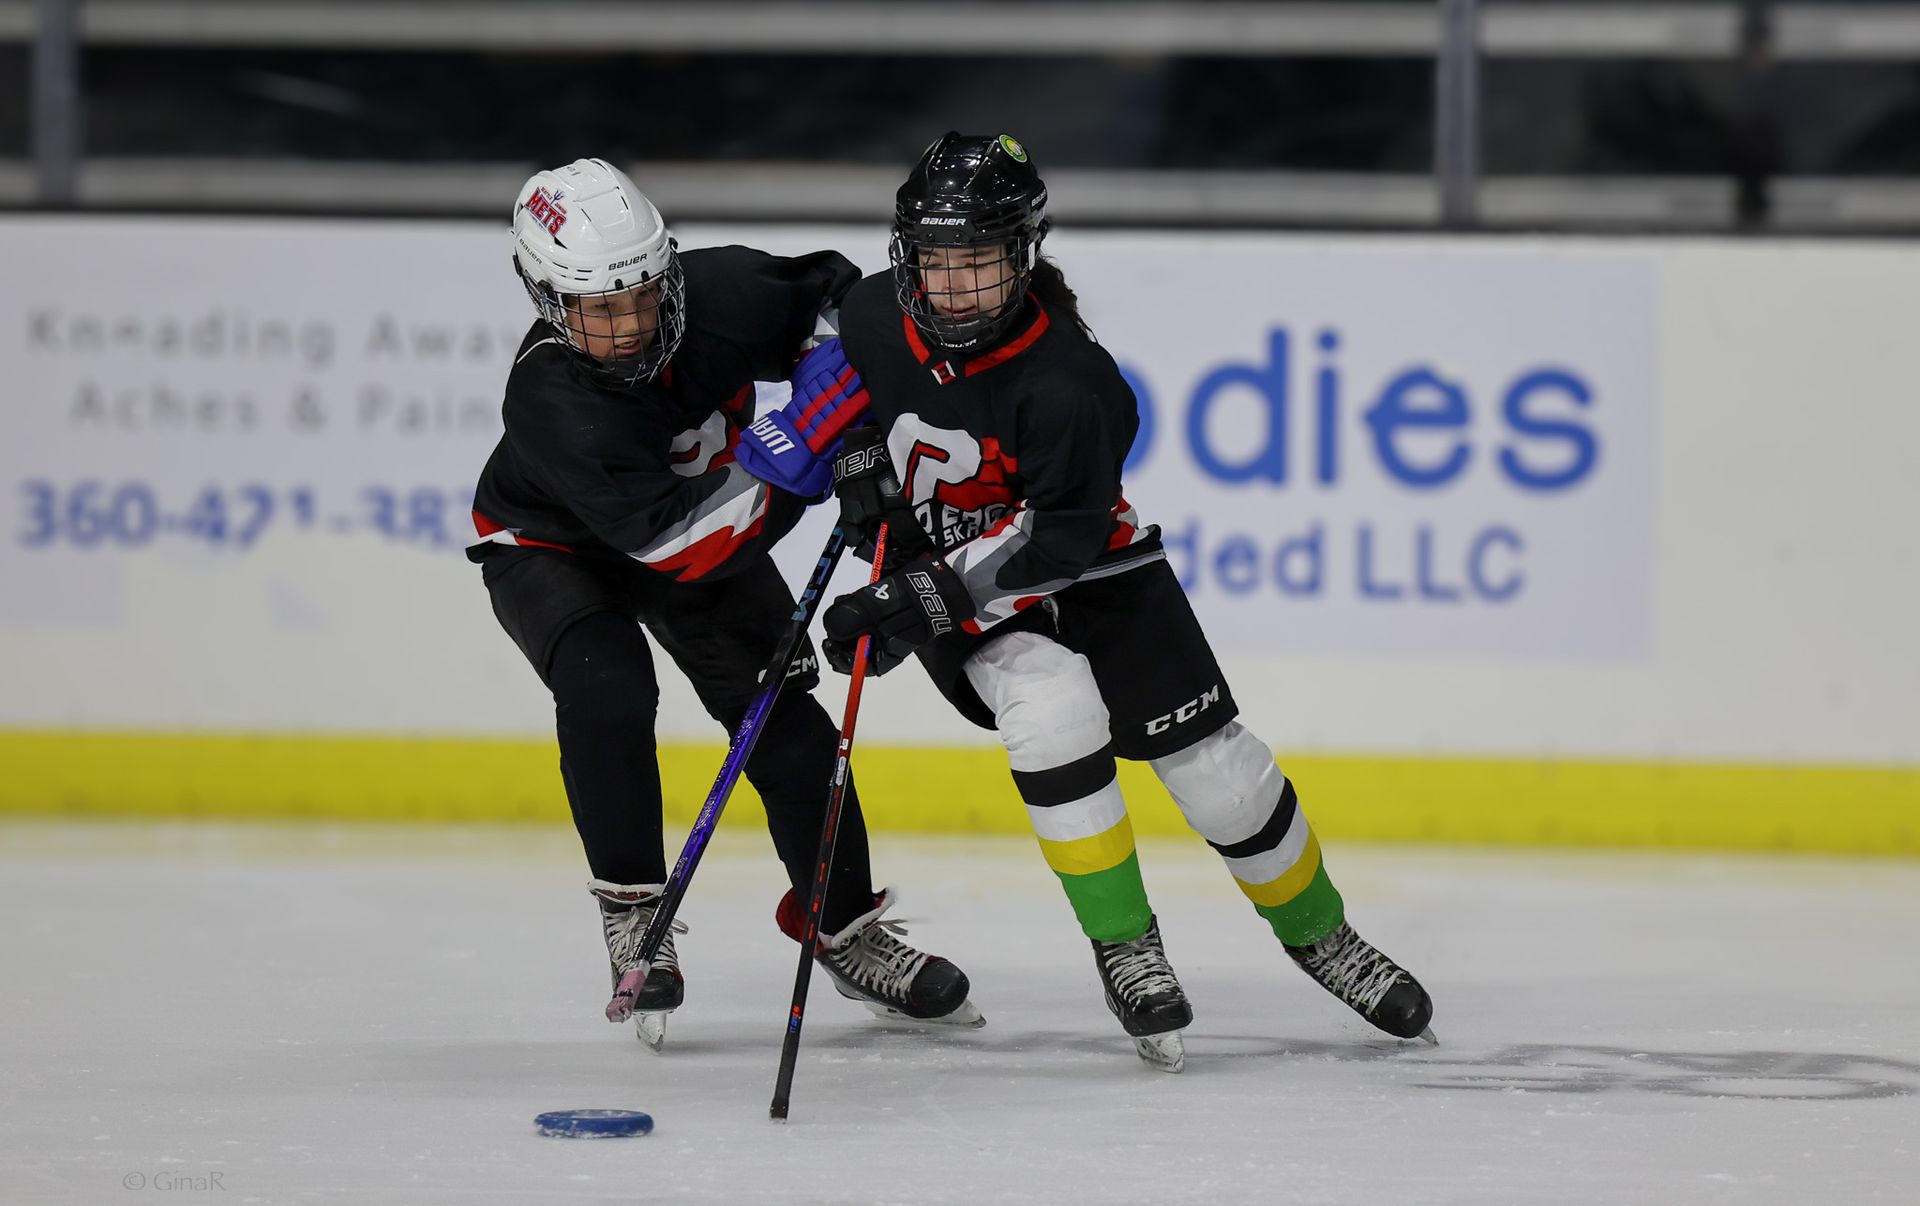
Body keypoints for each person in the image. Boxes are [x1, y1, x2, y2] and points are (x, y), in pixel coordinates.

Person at [741, 134, 1433, 1073]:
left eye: (980, 261)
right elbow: (841, 355)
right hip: (954, 578)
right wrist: (859, 450)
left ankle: (1323, 938)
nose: (953, 287)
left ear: (1024, 254)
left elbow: (1059, 538)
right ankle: (1126, 949)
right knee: (1052, 709)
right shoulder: (875, 308)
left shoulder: (1072, 382)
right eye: (935, 260)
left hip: (1087, 568)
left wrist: (924, 592)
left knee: (1220, 773)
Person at [467, 157, 981, 1049]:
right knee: (606, 687)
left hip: (701, 514)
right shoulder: (550, 398)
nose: (630, 325)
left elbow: (850, 308)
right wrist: (801, 443)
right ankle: (634, 907)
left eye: (642, 296)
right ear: (548, 301)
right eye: (599, 309)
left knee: (789, 724)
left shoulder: (722, 291)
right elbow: (685, 547)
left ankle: (844, 927)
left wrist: (853, 426)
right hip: (558, 547)